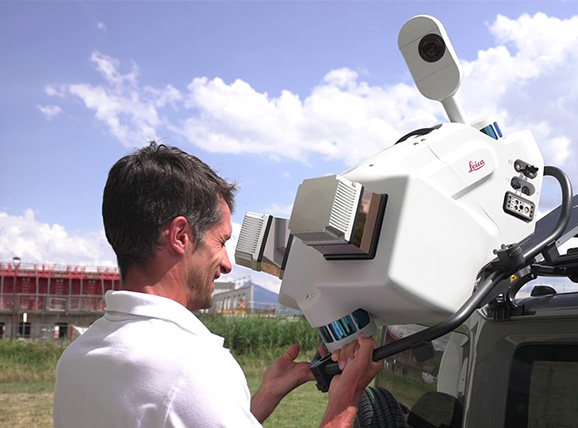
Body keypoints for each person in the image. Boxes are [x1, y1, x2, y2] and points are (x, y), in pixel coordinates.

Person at [53, 142, 383, 427]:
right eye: (220, 242)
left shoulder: (78, 357)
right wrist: (347, 399)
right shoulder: (191, 367)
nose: (226, 263)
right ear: (180, 236)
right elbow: (180, 395)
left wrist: (267, 393)